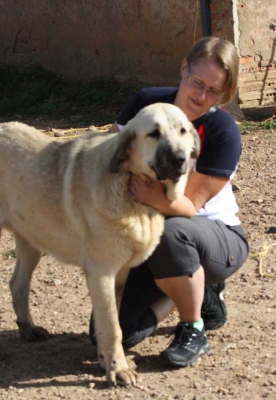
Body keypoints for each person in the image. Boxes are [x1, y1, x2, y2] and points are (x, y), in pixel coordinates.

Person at [90, 36, 248, 368]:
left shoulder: (222, 131)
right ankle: (191, 293)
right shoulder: (145, 107)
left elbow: (189, 205)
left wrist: (149, 196)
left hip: (214, 237)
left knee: (174, 230)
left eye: (214, 91)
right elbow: (110, 160)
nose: (201, 96)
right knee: (114, 334)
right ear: (183, 70)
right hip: (151, 234)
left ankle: (194, 327)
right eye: (197, 82)